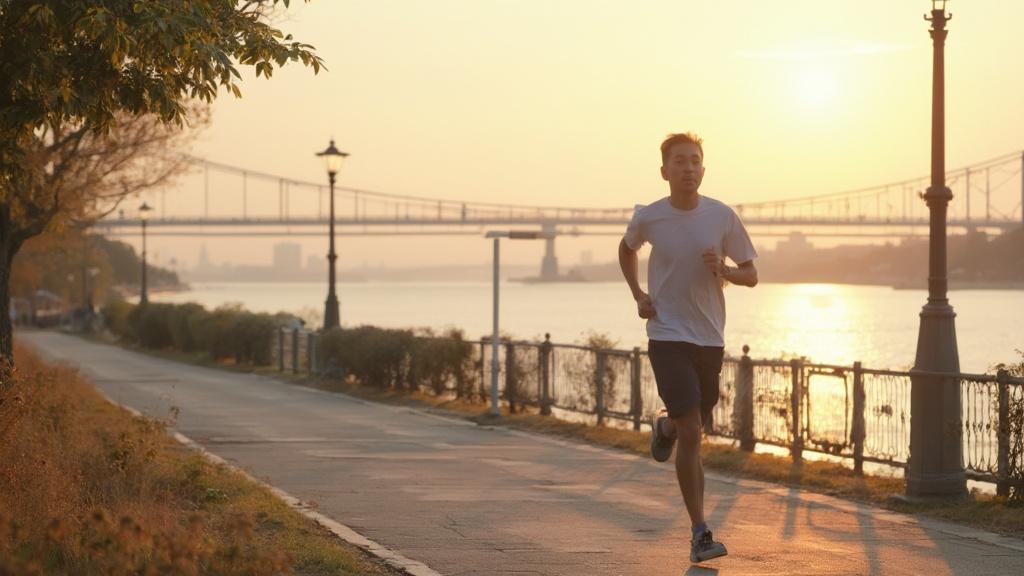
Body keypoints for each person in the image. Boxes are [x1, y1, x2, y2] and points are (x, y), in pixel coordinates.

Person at [618, 132, 758, 563]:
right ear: (665, 171)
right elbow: (626, 250)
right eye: (679, 161)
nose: (688, 168)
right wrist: (639, 295)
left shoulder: (722, 216)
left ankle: (665, 428)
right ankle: (700, 534)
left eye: (695, 161)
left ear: (703, 168)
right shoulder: (650, 217)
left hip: (709, 337)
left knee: (691, 427)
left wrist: (727, 271)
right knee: (694, 433)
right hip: (666, 334)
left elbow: (751, 275)